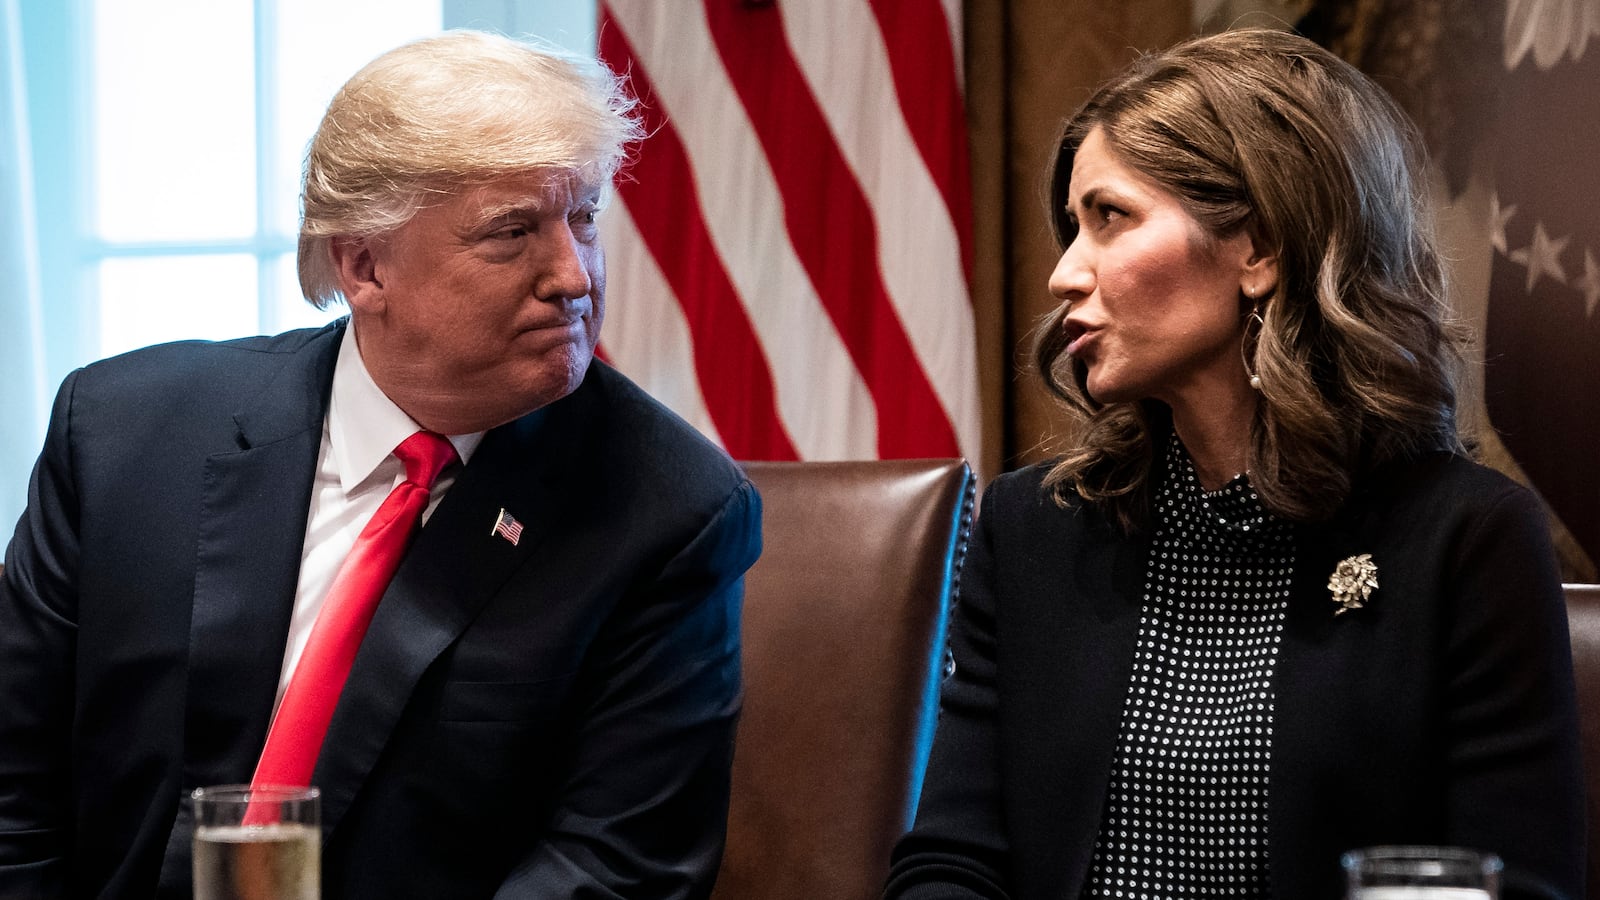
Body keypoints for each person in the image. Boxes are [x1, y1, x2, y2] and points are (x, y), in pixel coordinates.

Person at [0, 30, 760, 899]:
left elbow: (612, 870)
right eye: (513, 232)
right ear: (364, 265)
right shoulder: (123, 435)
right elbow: (14, 796)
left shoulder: (670, 510)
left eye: (583, 217)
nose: (574, 276)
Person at [885, 27, 1582, 900]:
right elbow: (951, 864)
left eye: (1109, 217)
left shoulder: (1466, 541)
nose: (1064, 274)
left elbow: (1517, 884)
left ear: (1260, 248)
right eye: (1072, 228)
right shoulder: (1033, 529)